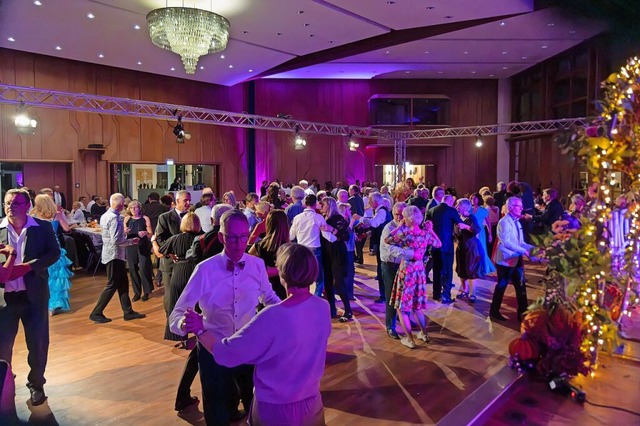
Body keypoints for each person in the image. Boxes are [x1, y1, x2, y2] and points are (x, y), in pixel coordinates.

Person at [183, 243, 331, 425]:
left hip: (276, 409)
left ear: (282, 273)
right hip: (312, 403)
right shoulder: (322, 307)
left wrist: (200, 329)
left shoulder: (272, 316)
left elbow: (227, 353)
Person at [169, 210, 281, 424]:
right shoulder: (205, 270)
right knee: (216, 411)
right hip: (213, 349)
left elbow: (269, 298)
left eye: (242, 237)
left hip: (248, 345)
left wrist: (289, 313)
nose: (239, 243)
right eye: (232, 237)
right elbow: (177, 314)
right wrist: (185, 323)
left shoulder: (256, 265)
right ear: (221, 237)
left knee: (256, 407)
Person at [0, 188, 60, 406]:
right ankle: (5, 381)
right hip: (5, 298)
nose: (10, 206)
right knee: (2, 344)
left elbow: (54, 253)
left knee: (37, 343)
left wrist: (28, 267)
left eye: (16, 203)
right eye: (7, 202)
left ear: (27, 205)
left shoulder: (41, 227)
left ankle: (36, 385)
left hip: (33, 295)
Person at [385, 206, 442, 349]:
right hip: (420, 271)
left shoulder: (405, 234)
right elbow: (438, 244)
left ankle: (410, 340)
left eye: (404, 217)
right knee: (417, 307)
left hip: (407, 271)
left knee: (402, 308)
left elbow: (387, 240)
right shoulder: (424, 234)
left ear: (408, 219)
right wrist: (431, 230)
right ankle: (424, 334)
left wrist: (398, 227)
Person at [89, 193, 146, 323]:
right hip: (115, 255)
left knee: (123, 284)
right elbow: (116, 240)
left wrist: (123, 233)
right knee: (112, 284)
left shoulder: (105, 215)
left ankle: (128, 311)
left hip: (111, 254)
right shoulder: (115, 218)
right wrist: (131, 241)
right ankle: (96, 312)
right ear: (120, 204)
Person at [489, 196, 535, 322]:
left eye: (521, 206)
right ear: (510, 207)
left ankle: (523, 313)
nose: (521, 208)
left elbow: (520, 242)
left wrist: (533, 249)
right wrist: (524, 251)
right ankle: (494, 311)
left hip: (516, 258)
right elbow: (507, 243)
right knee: (502, 285)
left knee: (521, 286)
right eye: (518, 206)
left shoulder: (517, 222)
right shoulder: (504, 222)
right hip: (505, 260)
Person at [30, 194, 74, 315]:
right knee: (57, 278)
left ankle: (42, 303)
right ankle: (54, 305)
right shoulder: (56, 214)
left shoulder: (32, 215)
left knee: (44, 276)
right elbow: (66, 228)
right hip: (53, 247)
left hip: (39, 249)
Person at [426, 195, 471, 303]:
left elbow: (426, 225)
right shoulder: (451, 210)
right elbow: (460, 224)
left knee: (436, 270)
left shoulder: (431, 210)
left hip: (434, 245)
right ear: (450, 201)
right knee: (447, 271)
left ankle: (436, 294)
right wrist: (469, 227)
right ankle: (446, 295)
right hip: (446, 245)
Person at [320, 197, 353, 322]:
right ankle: (332, 309)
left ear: (329, 205)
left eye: (322, 203)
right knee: (327, 282)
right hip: (326, 253)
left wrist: (331, 229)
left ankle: (348, 310)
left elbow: (345, 236)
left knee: (338, 282)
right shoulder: (323, 218)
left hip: (337, 253)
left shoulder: (338, 219)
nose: (320, 205)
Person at [289, 194, 327, 297]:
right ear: (315, 204)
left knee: (304, 278)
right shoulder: (318, 217)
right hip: (315, 250)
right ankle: (316, 299)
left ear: (305, 204)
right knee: (319, 279)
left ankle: (305, 300)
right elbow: (326, 234)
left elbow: (291, 236)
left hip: (301, 250)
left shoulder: (297, 218)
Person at [249, 210, 289, 300]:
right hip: (283, 289)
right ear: (285, 225)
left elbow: (248, 263)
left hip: (263, 289)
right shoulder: (288, 248)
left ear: (268, 224)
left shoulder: (259, 245)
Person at [454, 198, 484, 302]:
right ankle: (465, 290)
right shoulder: (457, 217)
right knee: (461, 269)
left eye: (458, 205)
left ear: (464, 207)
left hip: (471, 247)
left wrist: (466, 227)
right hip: (461, 247)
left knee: (471, 270)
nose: (456, 207)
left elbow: (476, 230)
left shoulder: (471, 218)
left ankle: (472, 293)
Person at [124, 200, 154, 302]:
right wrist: (125, 232)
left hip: (143, 245)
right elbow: (124, 234)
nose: (133, 209)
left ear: (139, 208)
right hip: (131, 245)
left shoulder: (145, 218)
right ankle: (137, 292)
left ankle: (147, 291)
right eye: (131, 208)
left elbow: (151, 234)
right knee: (132, 269)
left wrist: (145, 233)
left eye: (135, 207)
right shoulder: (127, 219)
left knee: (144, 268)